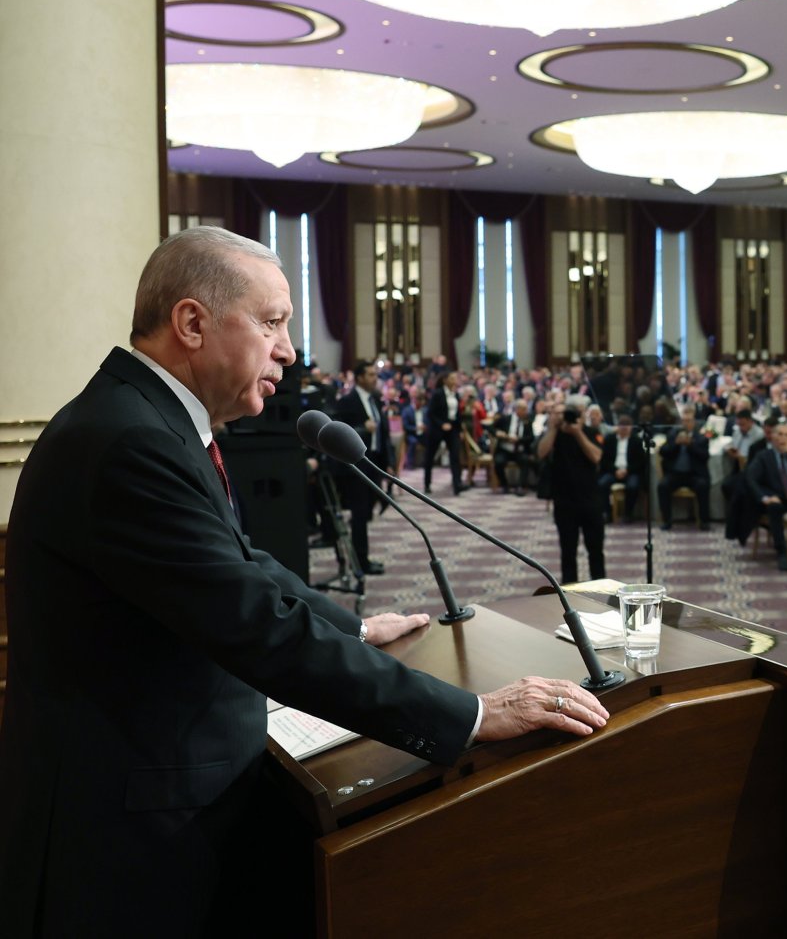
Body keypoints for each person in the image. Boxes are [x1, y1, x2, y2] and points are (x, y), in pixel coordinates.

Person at [0, 226, 610, 936]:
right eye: (272, 322)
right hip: (120, 836)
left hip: (150, 799)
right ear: (192, 323)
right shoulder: (131, 441)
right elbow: (257, 623)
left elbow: (238, 562)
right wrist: (470, 716)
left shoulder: (146, 418)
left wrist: (350, 624)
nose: (289, 349)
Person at [330, 359, 391, 578]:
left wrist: (389, 462)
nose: (376, 378)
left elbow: (383, 433)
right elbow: (337, 431)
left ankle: (362, 557)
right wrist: (362, 429)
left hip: (374, 463)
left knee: (366, 513)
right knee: (359, 514)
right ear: (360, 378)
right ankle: (361, 562)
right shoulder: (348, 401)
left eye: (376, 374)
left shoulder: (374, 399)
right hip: (355, 466)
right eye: (371, 375)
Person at [538, 398, 606, 583]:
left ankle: (600, 585)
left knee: (595, 549)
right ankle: (570, 590)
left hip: (590, 499)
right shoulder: (554, 435)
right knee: (568, 551)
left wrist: (578, 434)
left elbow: (596, 456)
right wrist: (552, 428)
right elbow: (541, 453)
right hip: (564, 501)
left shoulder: (590, 432)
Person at [745, 422, 787, 571]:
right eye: (780, 434)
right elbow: (750, 479)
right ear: (772, 436)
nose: (783, 439)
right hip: (776, 497)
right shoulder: (764, 456)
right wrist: (764, 497)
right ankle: (782, 552)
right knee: (774, 508)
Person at [657, 408, 712, 529]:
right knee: (663, 486)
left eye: (688, 421)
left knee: (703, 485)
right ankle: (667, 521)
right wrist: (675, 444)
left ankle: (704, 521)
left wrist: (691, 445)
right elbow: (663, 452)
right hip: (675, 474)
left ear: (694, 423)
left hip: (694, 474)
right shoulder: (672, 435)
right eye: (683, 421)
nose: (686, 424)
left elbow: (705, 457)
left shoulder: (701, 438)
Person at [596, 413, 647, 521]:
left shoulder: (636, 441)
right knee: (601, 484)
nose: (624, 429)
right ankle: (607, 513)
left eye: (627, 426)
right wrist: (615, 471)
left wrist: (626, 471)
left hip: (630, 471)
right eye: (621, 426)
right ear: (617, 426)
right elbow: (604, 460)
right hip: (613, 471)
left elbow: (640, 462)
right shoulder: (609, 439)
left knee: (633, 486)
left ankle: (628, 513)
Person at [425, 371, 464, 495]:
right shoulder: (437, 394)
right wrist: (442, 424)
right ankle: (427, 484)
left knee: (455, 456)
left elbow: (457, 415)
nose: (455, 381)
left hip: (452, 428)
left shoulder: (456, 394)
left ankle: (457, 484)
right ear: (445, 380)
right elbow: (430, 413)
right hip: (437, 428)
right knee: (430, 457)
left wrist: (460, 430)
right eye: (452, 378)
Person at [492, 399, 538, 496]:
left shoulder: (528, 421)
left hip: (519, 450)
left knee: (526, 461)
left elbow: (531, 437)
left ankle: (520, 486)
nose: (526, 411)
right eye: (524, 409)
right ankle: (504, 485)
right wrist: (497, 433)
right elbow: (490, 427)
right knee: (498, 462)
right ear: (517, 409)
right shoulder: (506, 419)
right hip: (505, 449)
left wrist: (519, 439)